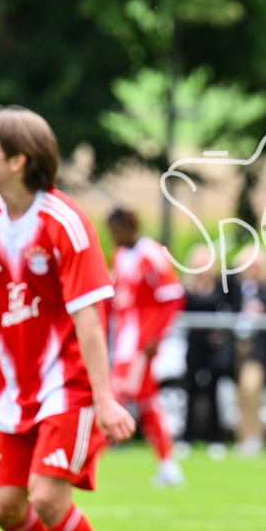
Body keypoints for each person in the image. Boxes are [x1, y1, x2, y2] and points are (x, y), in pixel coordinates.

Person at [0, 105, 136, 531]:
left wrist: (103, 397)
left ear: (19, 159)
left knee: (46, 498)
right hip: (13, 392)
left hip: (69, 388)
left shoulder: (65, 223)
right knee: (3, 505)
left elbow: (89, 317)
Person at [106, 207, 187, 486]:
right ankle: (168, 464)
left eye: (116, 231)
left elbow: (173, 295)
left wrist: (156, 335)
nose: (113, 238)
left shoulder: (151, 253)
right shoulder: (119, 256)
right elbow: (114, 299)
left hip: (140, 343)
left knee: (114, 397)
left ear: (130, 227)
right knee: (146, 402)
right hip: (123, 342)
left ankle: (84, 461)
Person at [181, 242, 241, 456]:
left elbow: (233, 308)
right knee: (190, 389)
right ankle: (187, 437)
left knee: (214, 390)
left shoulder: (222, 286)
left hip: (215, 347)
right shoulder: (187, 288)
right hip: (194, 344)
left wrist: (221, 332)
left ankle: (216, 438)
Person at [231, 250, 266, 457]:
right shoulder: (235, 289)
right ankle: (243, 435)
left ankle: (255, 435)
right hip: (237, 346)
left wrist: (262, 310)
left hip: (257, 348)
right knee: (240, 394)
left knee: (251, 389)